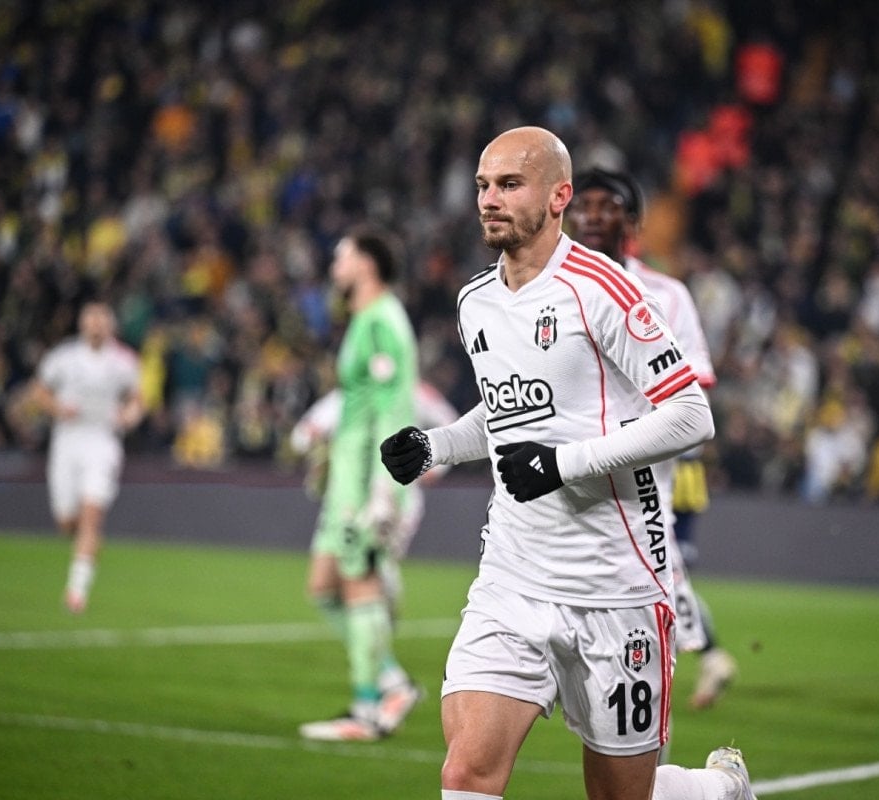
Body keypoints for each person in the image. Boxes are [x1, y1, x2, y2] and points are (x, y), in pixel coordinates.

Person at [380, 126, 755, 800]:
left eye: (509, 184)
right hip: (513, 578)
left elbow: (691, 414)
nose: (489, 199)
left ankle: (717, 791)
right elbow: (508, 413)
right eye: (483, 186)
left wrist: (564, 464)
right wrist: (436, 445)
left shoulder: (604, 289)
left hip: (614, 584)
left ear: (559, 197)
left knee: (621, 796)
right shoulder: (476, 301)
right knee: (466, 773)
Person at [568, 166, 738, 712]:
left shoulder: (666, 294)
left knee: (659, 578)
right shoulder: (551, 290)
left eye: (608, 205)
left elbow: (694, 390)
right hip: (570, 477)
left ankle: (685, 673)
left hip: (650, 473)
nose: (594, 216)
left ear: (634, 221)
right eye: (583, 205)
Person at [296, 227, 423, 743]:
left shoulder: (381, 322)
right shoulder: (364, 319)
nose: (335, 264)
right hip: (347, 477)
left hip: (367, 482)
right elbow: (361, 406)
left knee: (357, 582)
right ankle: (392, 683)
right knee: (323, 586)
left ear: (367, 265)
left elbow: (393, 410)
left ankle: (366, 710)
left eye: (342, 255)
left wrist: (383, 491)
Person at [290, 380, 459, 618]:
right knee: (345, 574)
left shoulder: (413, 392)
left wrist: (435, 465)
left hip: (399, 495)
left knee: (379, 561)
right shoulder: (347, 395)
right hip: (350, 499)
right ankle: (378, 614)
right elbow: (302, 435)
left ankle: (382, 612)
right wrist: (316, 444)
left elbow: (451, 421)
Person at [29, 301, 143, 614]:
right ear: (82, 325)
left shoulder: (123, 361)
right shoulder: (64, 357)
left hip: (102, 441)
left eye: (102, 322)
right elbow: (39, 391)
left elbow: (136, 400)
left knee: (92, 515)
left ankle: (77, 591)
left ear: (111, 327)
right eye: (91, 321)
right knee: (67, 521)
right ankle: (87, 546)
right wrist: (57, 408)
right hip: (68, 440)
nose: (96, 327)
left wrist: (129, 416)